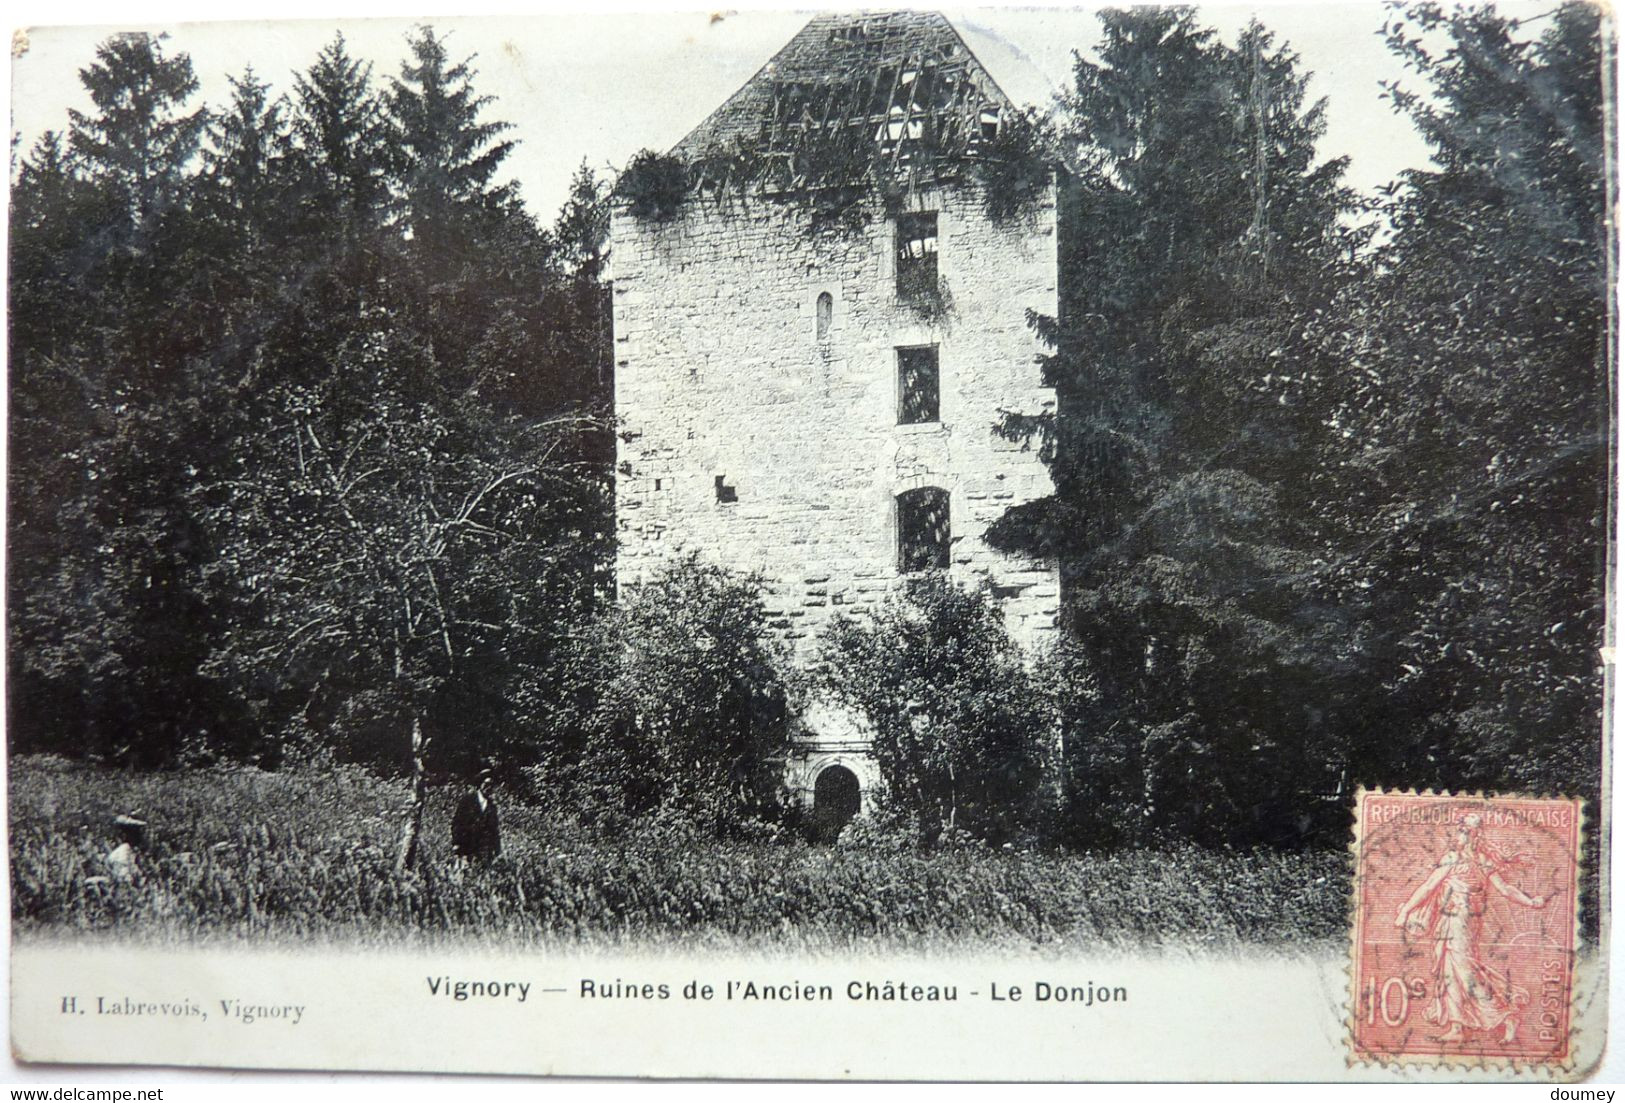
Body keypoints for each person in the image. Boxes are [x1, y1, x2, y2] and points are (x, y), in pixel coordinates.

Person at [1393, 813, 1550, 1043]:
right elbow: (1504, 889)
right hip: (1451, 920)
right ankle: (1457, 1028)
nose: (1461, 835)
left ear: (1470, 835)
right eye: (1462, 830)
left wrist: (1406, 910)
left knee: (1465, 971)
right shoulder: (1472, 860)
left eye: (1464, 831)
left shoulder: (1458, 859)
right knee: (1450, 971)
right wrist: (1531, 902)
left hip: (1460, 921)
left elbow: (1429, 888)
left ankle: (1506, 1016)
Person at [451, 768, 501, 863]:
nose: (489, 788)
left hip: (483, 853)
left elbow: (494, 831)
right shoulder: (467, 801)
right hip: (466, 848)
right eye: (486, 784)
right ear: (480, 784)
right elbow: (457, 823)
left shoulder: (492, 807)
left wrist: (497, 851)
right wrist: (456, 843)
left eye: (491, 785)